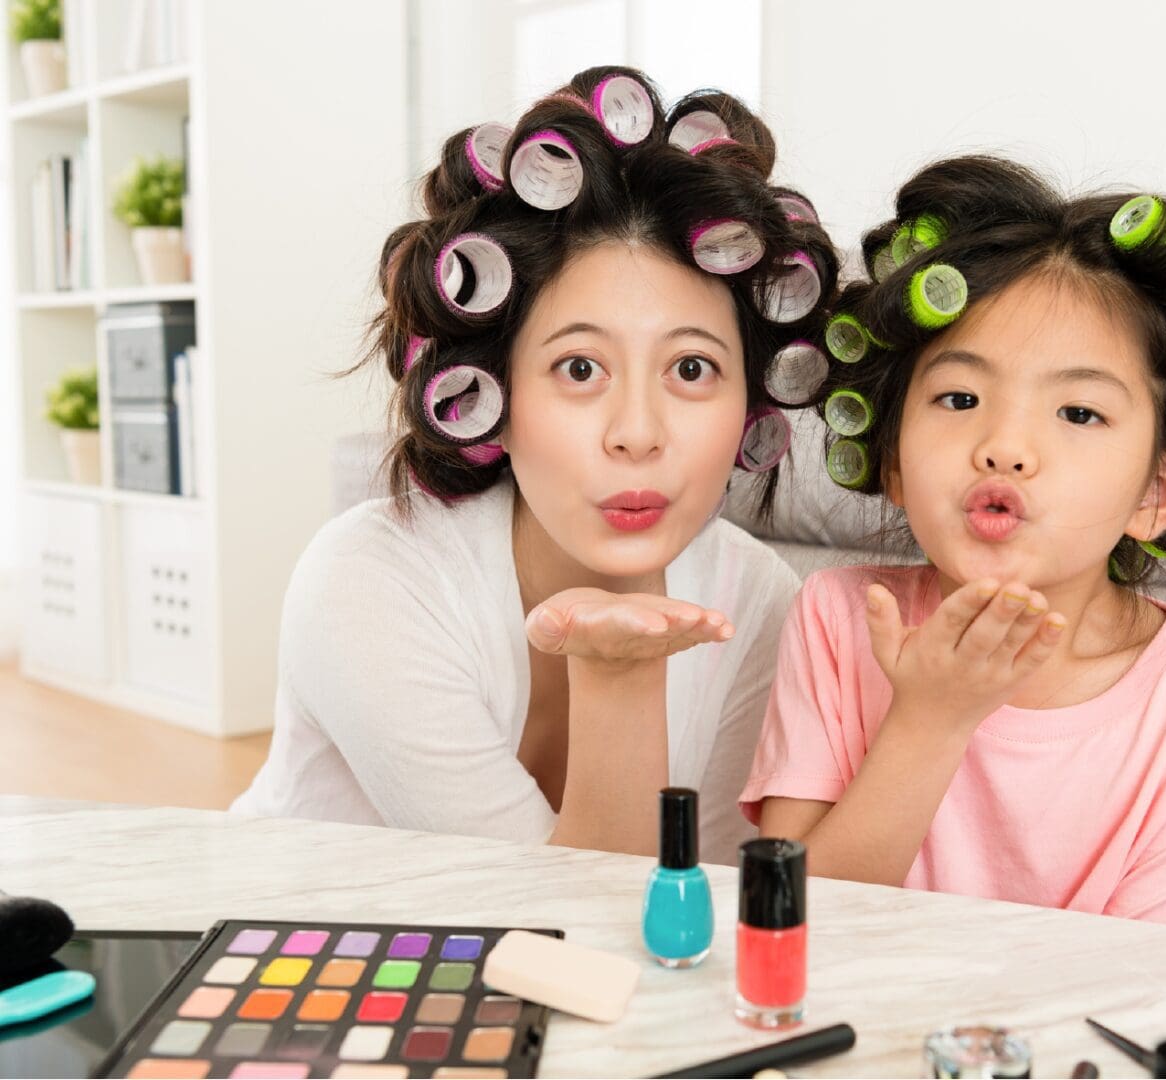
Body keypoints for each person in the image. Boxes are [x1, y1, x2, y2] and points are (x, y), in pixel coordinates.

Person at [232, 66, 841, 864]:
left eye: (691, 370)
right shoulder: (369, 582)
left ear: (748, 405)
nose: (637, 433)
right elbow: (556, 916)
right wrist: (617, 676)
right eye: (580, 369)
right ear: (495, 393)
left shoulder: (757, 597)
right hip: (306, 959)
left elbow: (701, 897)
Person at [740, 155, 1166, 937]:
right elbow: (782, 929)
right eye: (960, 398)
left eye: (1078, 413)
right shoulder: (840, 620)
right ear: (894, 459)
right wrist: (930, 721)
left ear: (1157, 493)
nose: (1005, 447)